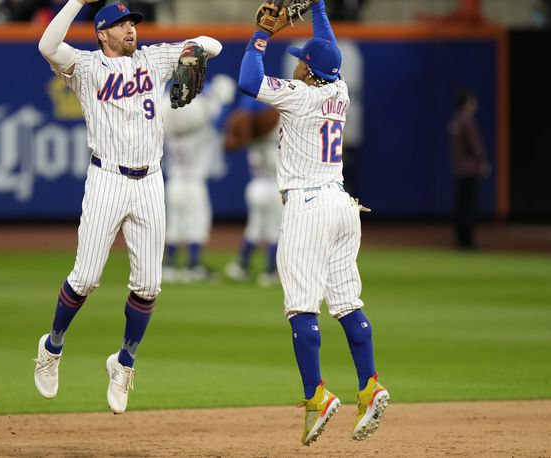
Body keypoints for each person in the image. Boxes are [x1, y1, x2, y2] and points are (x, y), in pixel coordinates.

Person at [32, 0, 222, 414]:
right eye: (120, 24)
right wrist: (78, 3)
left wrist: (193, 52)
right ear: (102, 34)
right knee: (84, 278)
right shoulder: (86, 68)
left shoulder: (154, 58)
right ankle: (51, 347)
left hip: (150, 180)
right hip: (107, 178)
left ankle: (123, 363)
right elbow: (48, 45)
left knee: (149, 285)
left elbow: (214, 44)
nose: (130, 29)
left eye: (132, 22)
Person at [238, 0, 389, 445]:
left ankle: (316, 397)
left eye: (302, 60)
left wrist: (261, 35)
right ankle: (369, 384)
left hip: (308, 206)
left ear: (308, 69)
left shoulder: (299, 96)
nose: (299, 64)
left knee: (301, 307)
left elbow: (249, 80)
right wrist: (319, 5)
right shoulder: (338, 90)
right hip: (344, 206)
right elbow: (331, 50)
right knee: (347, 302)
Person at [160, 74, 236, 283]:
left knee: (174, 225)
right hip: (193, 182)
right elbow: (219, 120)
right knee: (196, 225)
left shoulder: (170, 124)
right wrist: (220, 98)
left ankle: (169, 266)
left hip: (173, 181)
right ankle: (193, 266)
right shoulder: (201, 124)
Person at [223, 94, 282, 287]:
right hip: (273, 187)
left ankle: (241, 265)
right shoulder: (274, 133)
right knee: (275, 231)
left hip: (255, 186)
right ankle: (270, 271)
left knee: (254, 229)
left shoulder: (253, 135)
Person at [449, 89, 490, 250]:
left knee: (461, 205)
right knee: (469, 206)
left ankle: (460, 239)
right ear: (467, 102)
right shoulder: (467, 121)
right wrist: (482, 162)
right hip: (470, 169)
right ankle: (467, 241)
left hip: (459, 168)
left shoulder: (455, 120)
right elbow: (475, 146)